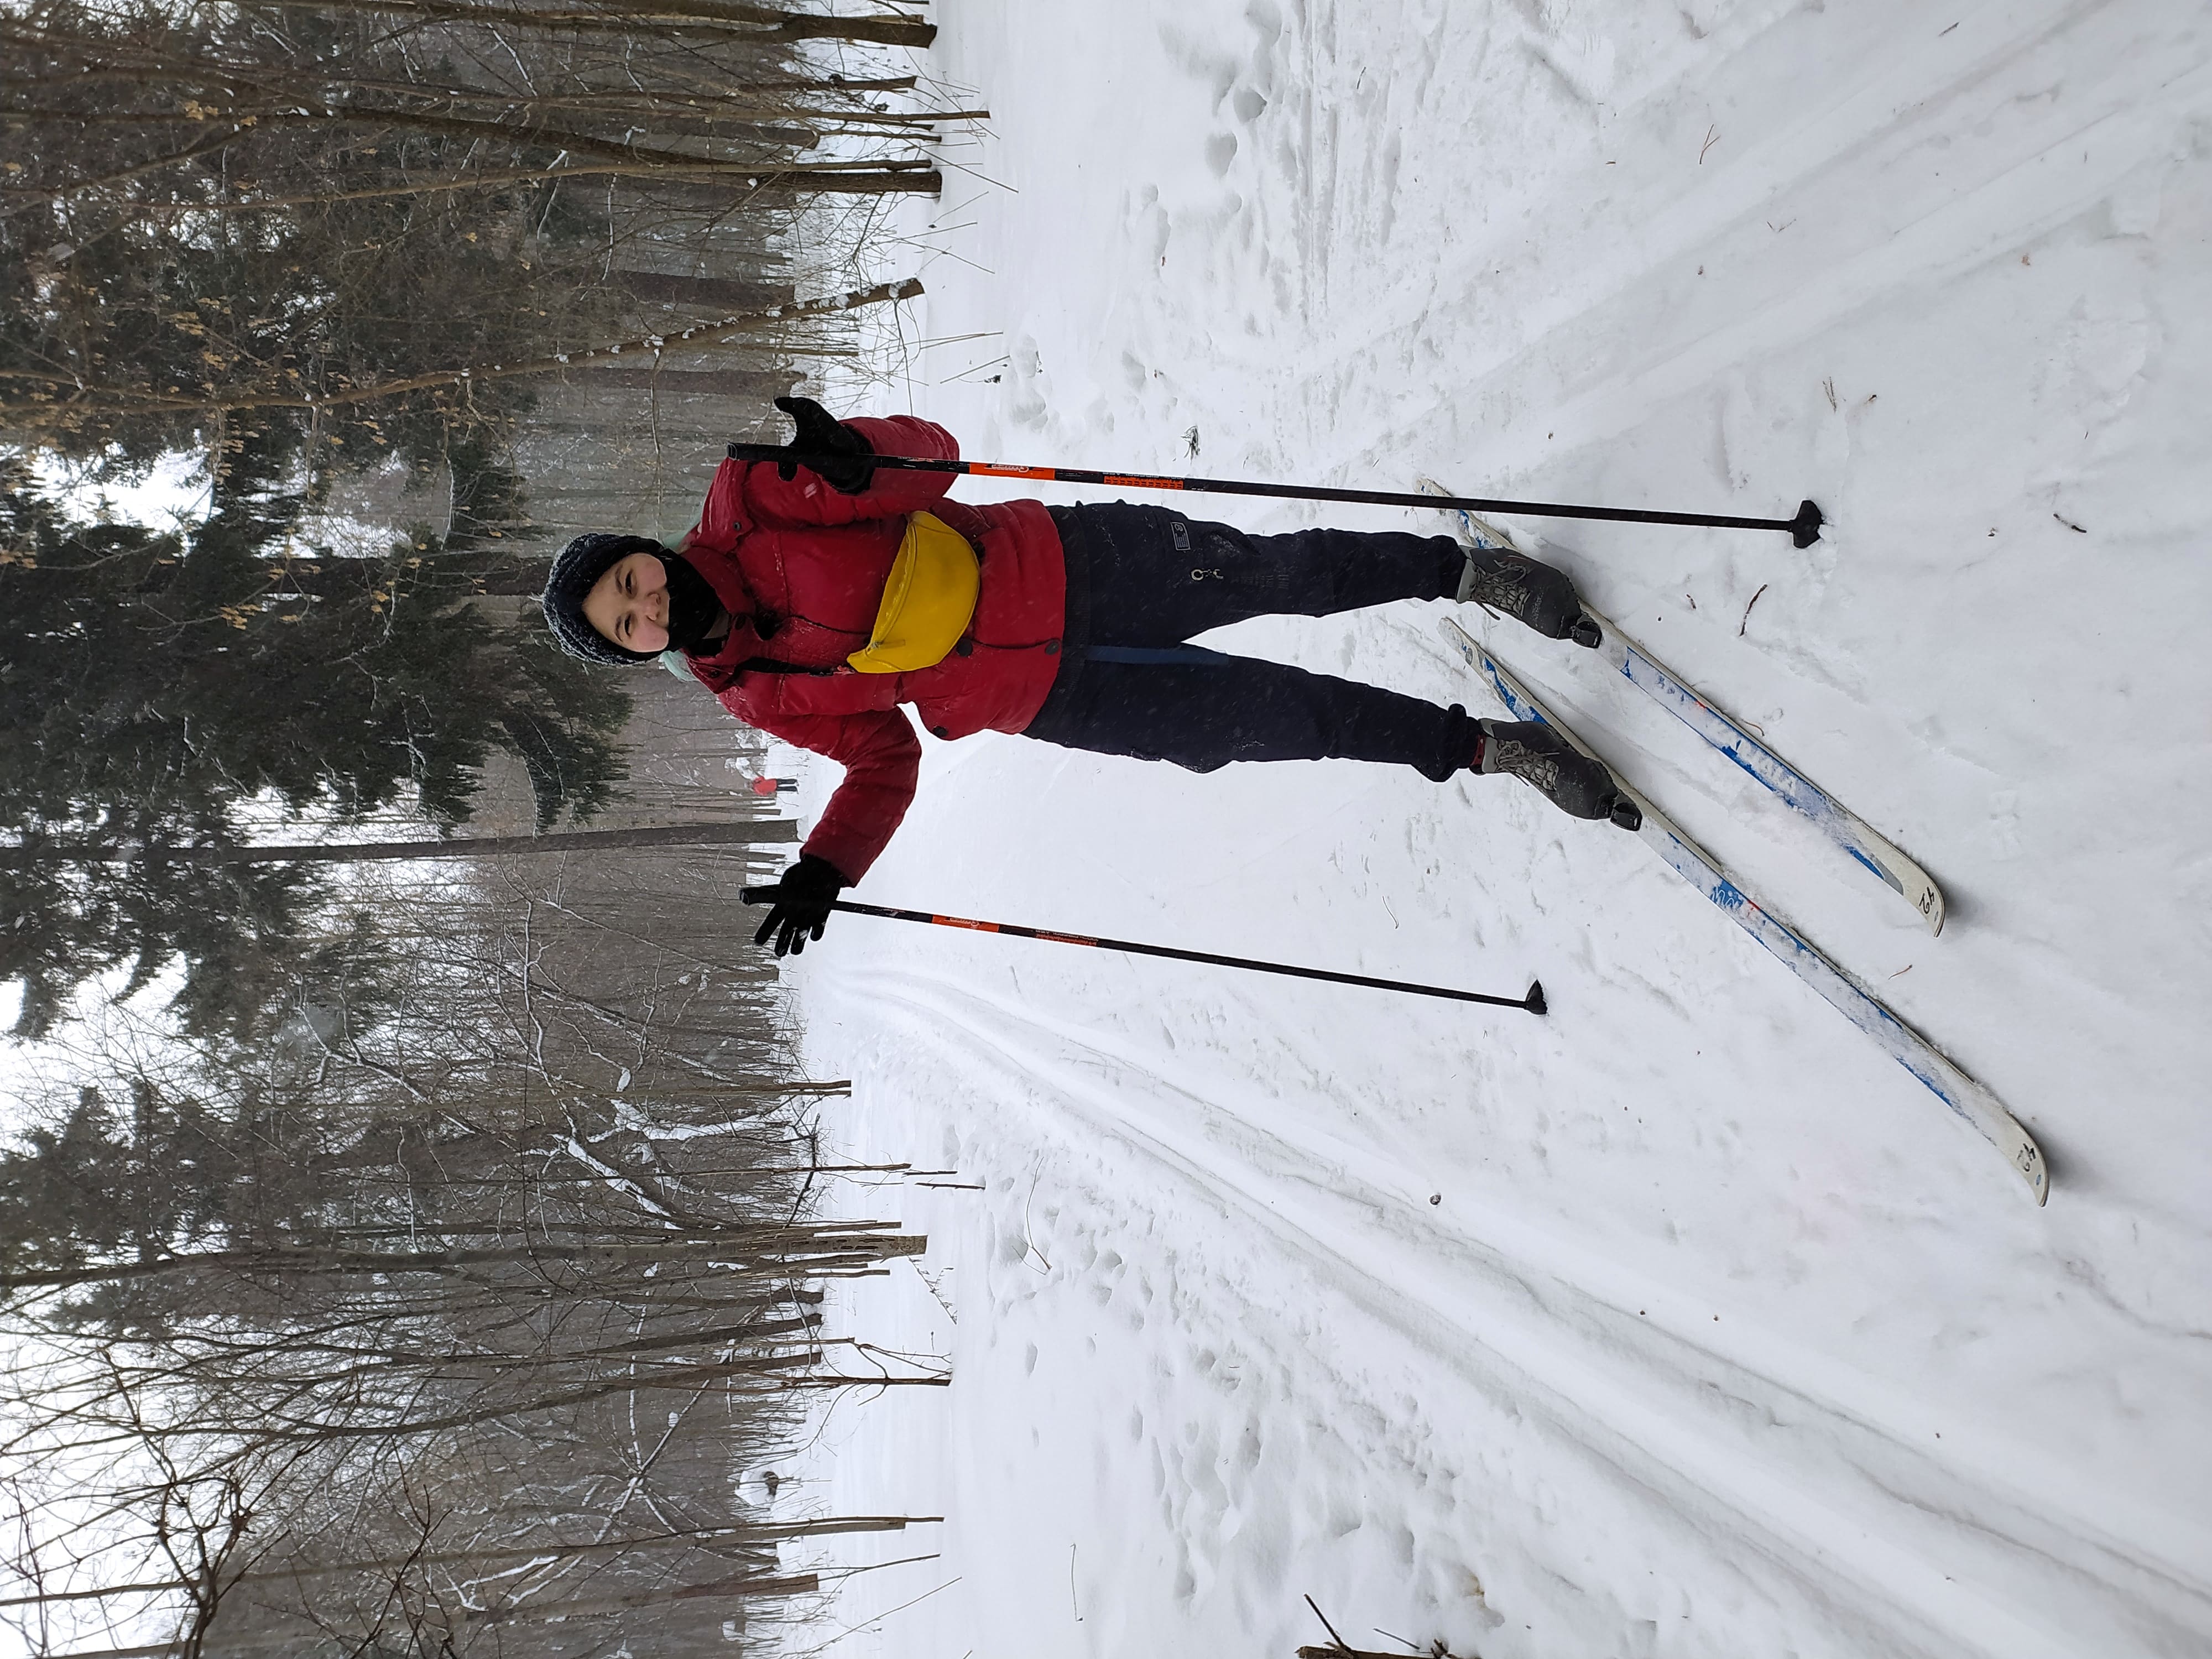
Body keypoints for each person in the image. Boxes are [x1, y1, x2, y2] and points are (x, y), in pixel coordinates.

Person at [541, 398, 1630, 957]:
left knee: (1281, 575)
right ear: (634, 653)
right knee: (1274, 721)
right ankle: (1486, 748)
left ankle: (1462, 573)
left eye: (630, 582)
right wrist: (829, 864)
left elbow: (935, 458)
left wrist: (858, 459)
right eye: (627, 626)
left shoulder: (752, 497)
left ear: (641, 550)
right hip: (1053, 700)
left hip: (1075, 564)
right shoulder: (750, 689)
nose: (648, 608)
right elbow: (880, 759)